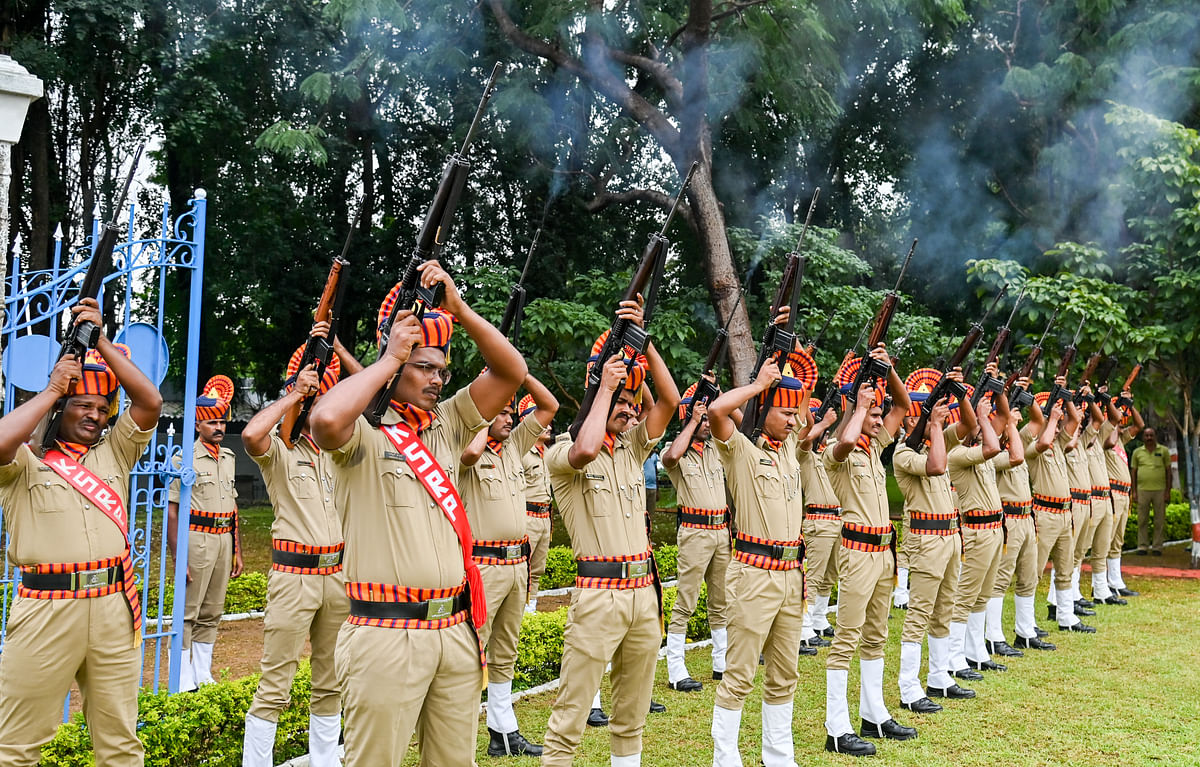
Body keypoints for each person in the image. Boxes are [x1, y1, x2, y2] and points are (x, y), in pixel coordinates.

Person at [309, 260, 527, 766]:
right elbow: (324, 419)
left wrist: (460, 309)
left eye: (441, 370)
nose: (436, 379)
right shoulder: (363, 430)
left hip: (453, 630)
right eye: (423, 367)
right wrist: (389, 358)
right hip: (385, 633)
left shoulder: (448, 422)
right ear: (398, 361)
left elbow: (512, 372)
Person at [0, 298, 161, 766]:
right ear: (60, 409)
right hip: (48, 609)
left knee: (121, 745)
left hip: (113, 606)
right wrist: (52, 390)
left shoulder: (115, 452)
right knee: (15, 746)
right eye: (82, 405)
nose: (94, 415)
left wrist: (103, 341)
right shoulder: (26, 462)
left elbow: (149, 402)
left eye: (101, 407)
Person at [540, 306, 680, 767]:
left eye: (630, 404)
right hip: (599, 595)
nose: (627, 410)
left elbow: (671, 402)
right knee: (571, 716)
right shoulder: (564, 452)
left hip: (643, 592)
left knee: (632, 712)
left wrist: (645, 341)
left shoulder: (634, 448)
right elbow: (584, 447)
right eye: (619, 402)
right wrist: (604, 387)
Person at [241, 327, 355, 767]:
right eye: (318, 400)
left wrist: (339, 354)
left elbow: (378, 410)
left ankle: (325, 760)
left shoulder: (339, 455)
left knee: (330, 679)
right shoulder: (281, 454)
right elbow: (252, 435)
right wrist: (293, 394)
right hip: (295, 578)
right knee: (276, 682)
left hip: (337, 577)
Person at [707, 340, 815, 767]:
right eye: (785, 413)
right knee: (739, 676)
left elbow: (805, 400)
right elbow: (717, 412)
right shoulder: (742, 454)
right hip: (753, 573)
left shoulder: (788, 449)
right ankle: (725, 758)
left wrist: (794, 365)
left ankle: (778, 756)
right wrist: (758, 384)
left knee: (785, 674)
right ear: (763, 411)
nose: (793, 420)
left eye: (794, 414)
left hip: (791, 577)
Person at [459, 374, 558, 757]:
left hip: (517, 564)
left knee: (506, 652)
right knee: (474, 654)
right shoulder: (470, 449)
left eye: (510, 412)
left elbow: (548, 407)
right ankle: (461, 740)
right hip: (483, 567)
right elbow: (467, 455)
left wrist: (518, 374)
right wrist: (483, 415)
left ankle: (502, 732)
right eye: (500, 412)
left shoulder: (515, 448)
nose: (508, 419)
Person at [823, 345, 913, 757]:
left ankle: (872, 714)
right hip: (857, 552)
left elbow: (906, 406)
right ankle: (835, 727)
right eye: (873, 414)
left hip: (883, 553)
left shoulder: (874, 451)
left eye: (879, 415)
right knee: (847, 638)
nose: (879, 420)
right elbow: (844, 439)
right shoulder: (835, 452)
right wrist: (859, 406)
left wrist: (889, 370)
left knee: (876, 637)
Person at [891, 368, 976, 715]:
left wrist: (961, 394)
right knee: (919, 615)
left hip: (949, 537)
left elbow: (970, 427)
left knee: (944, 611)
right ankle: (909, 687)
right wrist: (936, 426)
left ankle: (939, 676)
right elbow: (938, 466)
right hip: (926, 540)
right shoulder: (903, 453)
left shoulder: (935, 440)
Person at [168, 373, 243, 692]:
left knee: (213, 609)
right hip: (197, 539)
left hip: (223, 540)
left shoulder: (229, 457)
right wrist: (178, 555)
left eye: (223, 422)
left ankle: (202, 672)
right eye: (212, 422)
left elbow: (234, 505)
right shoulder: (184, 458)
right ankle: (182, 676)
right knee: (188, 610)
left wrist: (237, 548)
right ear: (198, 425)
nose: (220, 428)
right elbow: (172, 511)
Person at [660, 382, 731, 692]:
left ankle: (721, 662)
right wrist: (692, 421)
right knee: (686, 601)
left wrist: (714, 400)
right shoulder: (677, 450)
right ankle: (676, 668)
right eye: (701, 419)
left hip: (721, 531)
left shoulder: (716, 448)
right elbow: (670, 458)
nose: (706, 424)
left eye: (706, 420)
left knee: (721, 600)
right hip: (695, 532)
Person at [945, 370, 1008, 677]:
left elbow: (1005, 432)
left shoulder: (977, 454)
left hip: (994, 529)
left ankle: (975, 650)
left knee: (982, 595)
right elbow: (993, 446)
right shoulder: (958, 454)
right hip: (977, 531)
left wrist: (996, 394)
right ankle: (954, 658)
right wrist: (980, 415)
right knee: (965, 596)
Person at [985, 378, 1054, 655]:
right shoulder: (993, 453)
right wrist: (1009, 422)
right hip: (1009, 519)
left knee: (1028, 577)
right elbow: (1014, 456)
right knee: (1000, 579)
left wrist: (1025, 396)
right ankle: (993, 635)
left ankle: (1025, 632)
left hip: (1028, 517)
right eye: (1009, 415)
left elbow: (1038, 422)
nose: (1016, 418)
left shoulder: (1017, 438)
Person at [1027, 386, 1094, 633]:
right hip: (1045, 514)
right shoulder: (1035, 447)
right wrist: (1051, 417)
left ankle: (1066, 617)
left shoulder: (1058, 445)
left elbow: (1076, 420)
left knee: (1066, 568)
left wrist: (1064, 396)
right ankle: (1027, 623)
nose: (1058, 429)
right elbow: (1043, 440)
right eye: (1053, 425)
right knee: (1034, 572)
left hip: (1065, 514)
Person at [798, 399, 839, 647]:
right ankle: (804, 629)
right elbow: (804, 440)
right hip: (818, 519)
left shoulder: (824, 453)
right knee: (813, 577)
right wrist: (821, 422)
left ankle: (818, 619)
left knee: (829, 574)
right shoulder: (803, 454)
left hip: (835, 517)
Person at [1101, 390, 1144, 596]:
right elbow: (1109, 441)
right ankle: (1102, 583)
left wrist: (1129, 404)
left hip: (1124, 493)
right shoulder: (1107, 438)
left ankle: (1115, 581)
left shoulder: (1121, 438)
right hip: (1113, 492)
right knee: (1108, 539)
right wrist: (1115, 419)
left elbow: (1139, 426)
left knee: (1118, 539)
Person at [520, 394, 554, 614]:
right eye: (543, 421)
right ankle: (518, 609)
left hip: (544, 517)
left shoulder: (549, 454)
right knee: (523, 568)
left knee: (538, 569)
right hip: (527, 516)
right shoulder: (521, 453)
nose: (549, 426)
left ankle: (530, 609)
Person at [1130, 426, 1172, 555]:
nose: (1149, 438)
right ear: (1143, 437)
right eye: (1147, 435)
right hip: (1142, 490)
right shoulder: (1137, 452)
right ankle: (1142, 546)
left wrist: (1167, 491)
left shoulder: (1164, 451)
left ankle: (1157, 547)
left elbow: (1168, 471)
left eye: (1151, 435)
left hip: (1159, 490)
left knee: (1159, 520)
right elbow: (1133, 472)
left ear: (1155, 437)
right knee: (1142, 520)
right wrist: (1134, 491)